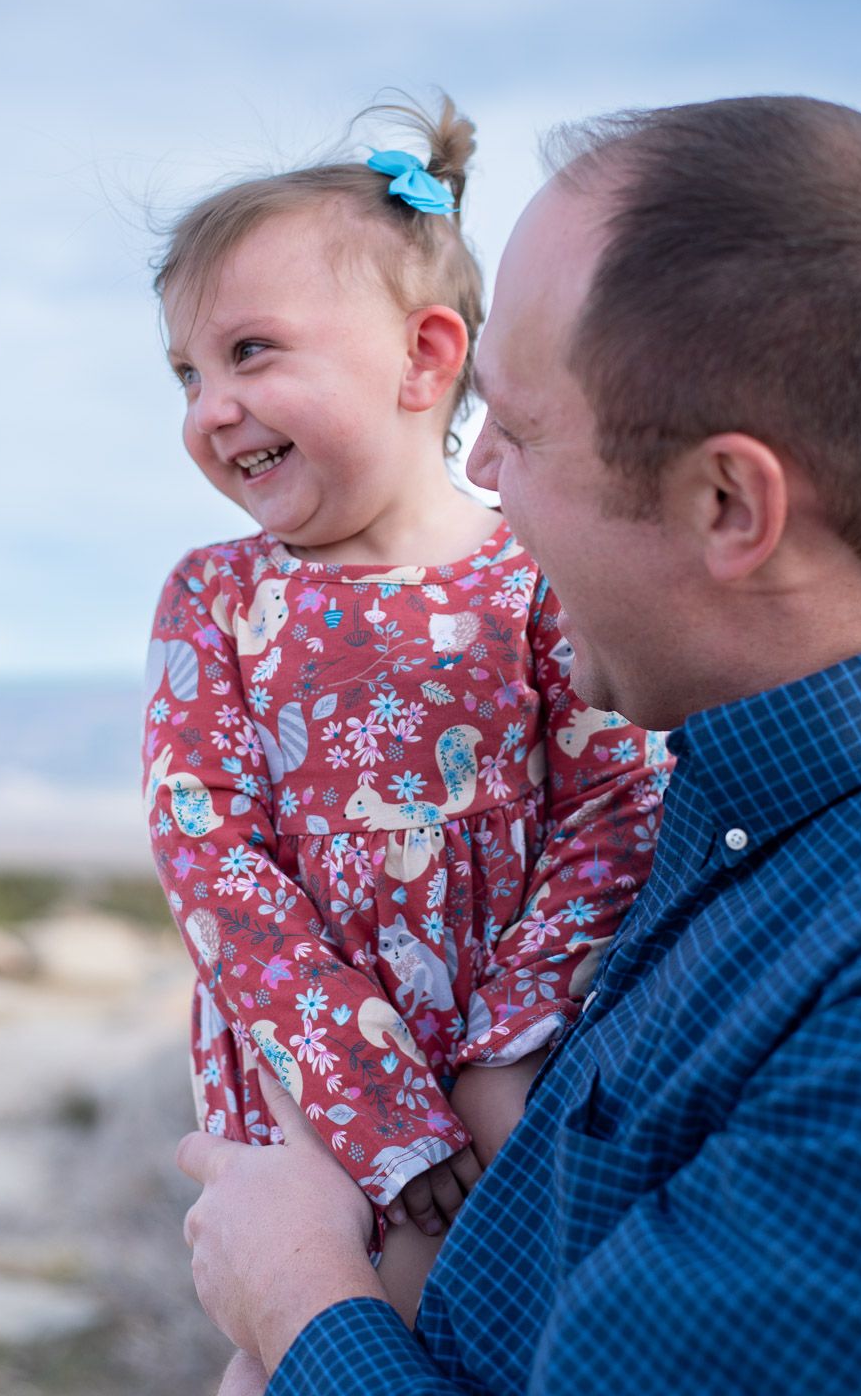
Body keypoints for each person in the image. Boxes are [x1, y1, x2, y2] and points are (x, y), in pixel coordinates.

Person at [176, 94, 861, 1396]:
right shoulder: (752, 816)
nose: (476, 472)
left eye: (521, 431)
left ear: (728, 504)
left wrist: (306, 1306)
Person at [143, 96, 668, 1390]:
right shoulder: (218, 599)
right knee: (286, 1351)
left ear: (427, 358)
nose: (214, 407)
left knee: (496, 1348)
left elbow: (613, 808)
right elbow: (213, 862)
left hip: (518, 1088)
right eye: (187, 374)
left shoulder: (531, 573)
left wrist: (502, 1045)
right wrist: (374, 1104)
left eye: (251, 352)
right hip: (313, 1105)